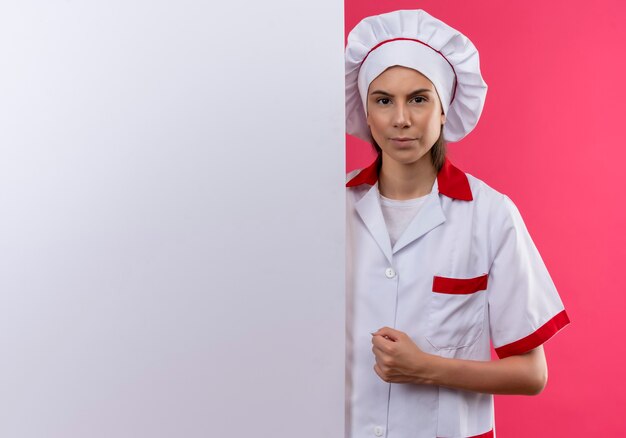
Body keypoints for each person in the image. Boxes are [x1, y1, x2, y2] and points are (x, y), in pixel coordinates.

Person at [345, 9, 570, 438]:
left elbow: (531, 374)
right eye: (383, 100)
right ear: (366, 111)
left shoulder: (490, 215)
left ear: (445, 108)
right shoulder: (327, 211)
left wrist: (426, 368)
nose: (401, 120)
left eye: (418, 98)